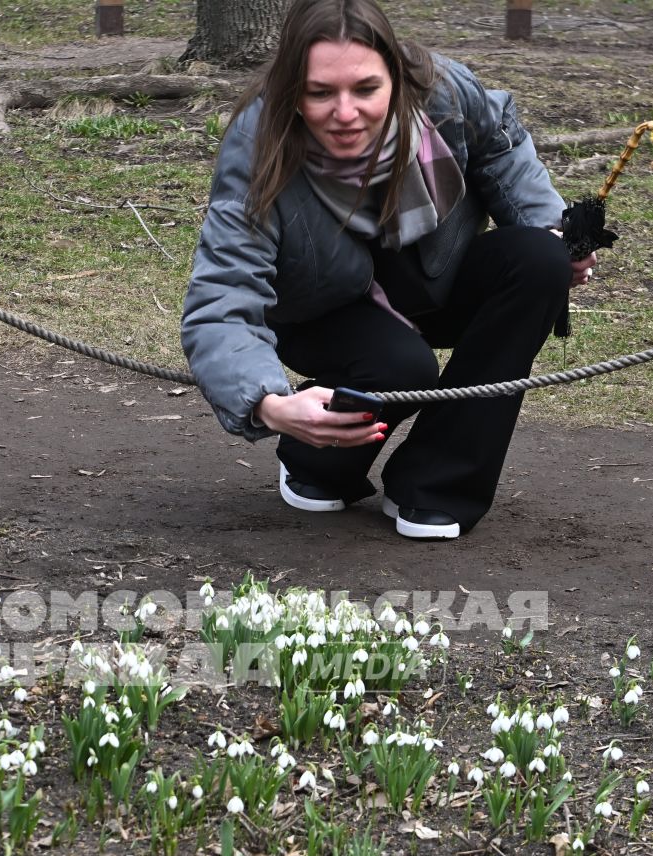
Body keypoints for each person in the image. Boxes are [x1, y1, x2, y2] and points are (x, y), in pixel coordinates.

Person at [180, 0, 594, 540]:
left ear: (396, 80)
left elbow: (502, 149)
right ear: (291, 92)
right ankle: (311, 461)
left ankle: (437, 484)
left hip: (431, 277)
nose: (345, 112)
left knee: (540, 261)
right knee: (402, 367)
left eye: (365, 89)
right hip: (320, 309)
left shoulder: (445, 91)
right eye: (321, 92)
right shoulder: (258, 147)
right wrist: (269, 405)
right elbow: (222, 299)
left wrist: (557, 230)